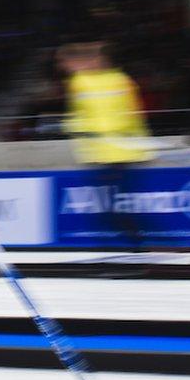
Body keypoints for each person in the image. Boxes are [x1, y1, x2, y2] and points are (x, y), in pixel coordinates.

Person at [59, 39, 153, 250]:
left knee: (112, 209)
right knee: (110, 209)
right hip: (103, 154)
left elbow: (131, 117)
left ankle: (137, 246)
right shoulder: (86, 81)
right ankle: (134, 246)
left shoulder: (112, 81)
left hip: (116, 155)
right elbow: (81, 115)